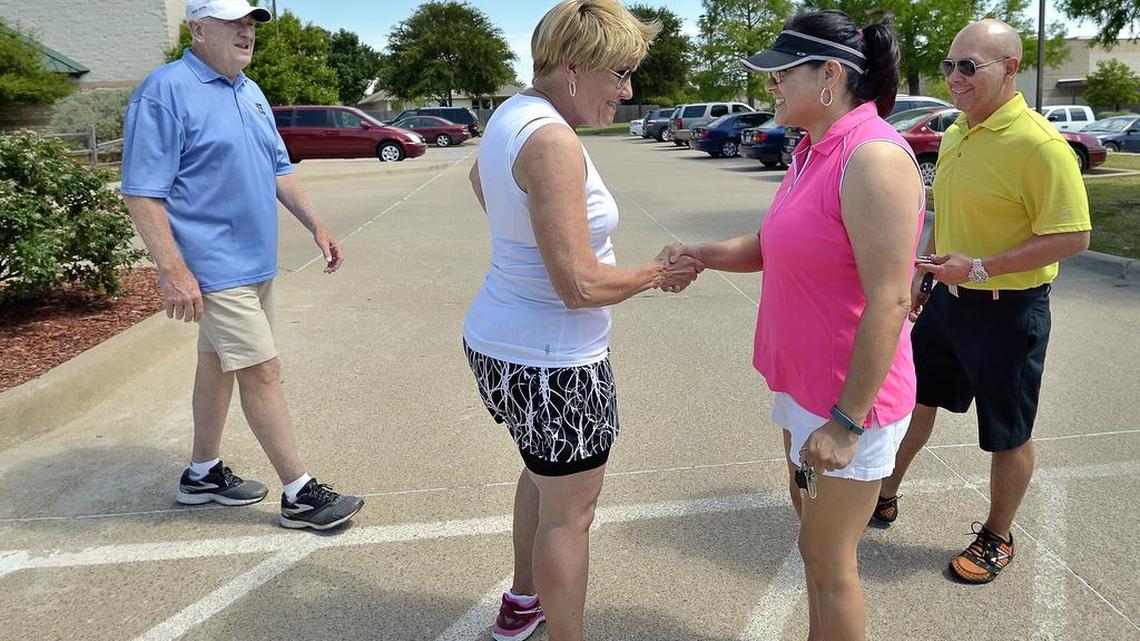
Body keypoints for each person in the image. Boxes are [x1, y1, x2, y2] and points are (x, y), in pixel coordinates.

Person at [674, 11, 923, 641]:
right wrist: (703, 255)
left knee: (830, 563)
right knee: (814, 550)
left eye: (783, 73)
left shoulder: (872, 159)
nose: (771, 86)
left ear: (831, 76)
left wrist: (845, 421)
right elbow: (773, 244)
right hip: (801, 386)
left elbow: (890, 300)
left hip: (847, 400)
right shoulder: (814, 150)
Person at [462, 2, 702, 639]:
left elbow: (478, 180)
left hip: (502, 340)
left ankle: (522, 601)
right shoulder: (552, 141)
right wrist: (658, 272)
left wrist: (522, 239)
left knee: (544, 480)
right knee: (572, 513)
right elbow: (580, 285)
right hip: (553, 364)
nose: (627, 92)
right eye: (618, 74)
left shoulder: (511, 114)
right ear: (572, 67)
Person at [120, 0, 364, 531]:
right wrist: (173, 269)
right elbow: (142, 192)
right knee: (261, 369)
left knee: (217, 366)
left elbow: (278, 168)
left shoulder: (249, 91)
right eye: (235, 22)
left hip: (256, 265)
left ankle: (202, 473)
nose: (247, 31)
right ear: (198, 28)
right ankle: (300, 494)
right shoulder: (164, 92)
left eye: (251, 22)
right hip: (212, 266)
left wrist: (316, 225)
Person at [873, 19, 1091, 584]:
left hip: (1008, 309)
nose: (954, 77)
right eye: (949, 65)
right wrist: (927, 273)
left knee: (1006, 431)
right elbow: (947, 216)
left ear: (1011, 68)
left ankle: (998, 536)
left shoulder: (1040, 145)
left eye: (969, 66)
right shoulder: (956, 133)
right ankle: (885, 494)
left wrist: (980, 266)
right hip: (949, 300)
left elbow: (1073, 235)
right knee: (911, 402)